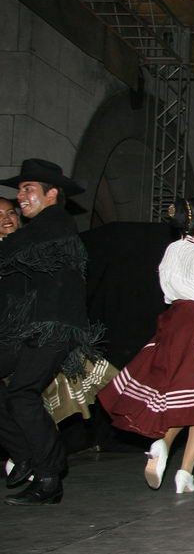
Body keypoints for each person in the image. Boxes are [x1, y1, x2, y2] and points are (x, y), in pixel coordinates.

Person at [99, 198, 194, 493]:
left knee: (182, 397)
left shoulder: (172, 251)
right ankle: (185, 472)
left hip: (174, 323)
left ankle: (162, 447)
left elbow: (168, 294)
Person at [0, 159, 98, 505]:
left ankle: (48, 477)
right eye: (20, 189)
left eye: (28, 189)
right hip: (31, 329)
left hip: (52, 328)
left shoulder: (54, 222)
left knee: (22, 393)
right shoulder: (39, 230)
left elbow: (13, 250)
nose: (20, 196)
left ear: (52, 193)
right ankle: (25, 455)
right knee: (19, 395)